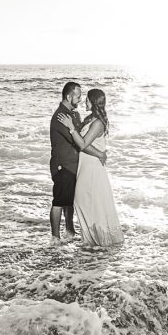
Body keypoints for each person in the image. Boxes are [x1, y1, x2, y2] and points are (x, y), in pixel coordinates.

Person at [56, 88, 124, 247]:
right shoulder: (90, 119)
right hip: (85, 165)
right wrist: (100, 152)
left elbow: (82, 144)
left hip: (92, 168)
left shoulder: (98, 123)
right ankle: (90, 239)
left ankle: (97, 240)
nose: (84, 102)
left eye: (87, 100)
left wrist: (71, 127)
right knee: (84, 201)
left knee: (84, 201)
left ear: (94, 102)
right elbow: (81, 142)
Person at [49, 82, 106, 244]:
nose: (80, 99)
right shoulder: (62, 116)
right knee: (59, 201)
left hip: (74, 165)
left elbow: (82, 138)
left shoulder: (74, 115)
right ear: (68, 97)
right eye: (78, 96)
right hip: (63, 165)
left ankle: (69, 231)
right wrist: (99, 153)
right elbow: (79, 143)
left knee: (70, 200)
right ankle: (55, 237)